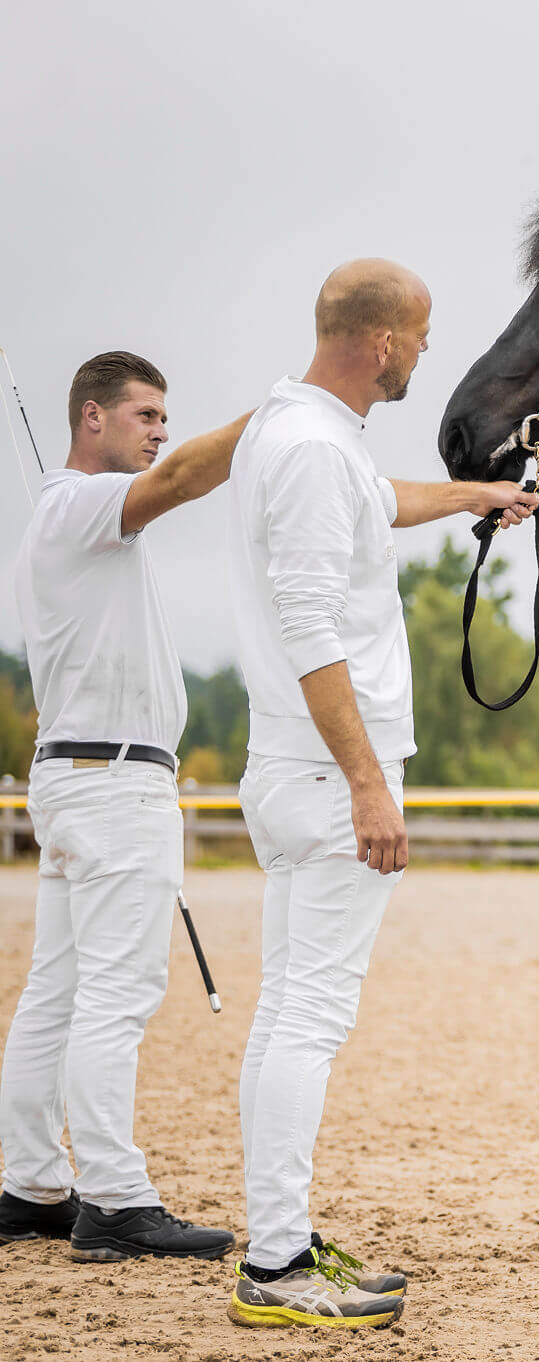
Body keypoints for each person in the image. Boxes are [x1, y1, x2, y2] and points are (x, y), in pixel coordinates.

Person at [224, 259, 537, 1330]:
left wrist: (480, 495)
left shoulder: (297, 432)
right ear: (387, 344)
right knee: (309, 1018)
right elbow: (311, 625)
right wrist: (368, 783)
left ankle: (282, 1237)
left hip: (287, 769)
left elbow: (379, 508)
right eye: (425, 337)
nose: (427, 355)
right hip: (324, 776)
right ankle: (273, 1268)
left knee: (285, 1015)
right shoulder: (313, 450)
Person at [0, 351, 249, 1261]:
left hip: (80, 781)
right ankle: (113, 1197)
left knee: (58, 995)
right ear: (91, 416)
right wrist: (286, 414)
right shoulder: (77, 506)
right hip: (113, 785)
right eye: (144, 414)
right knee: (115, 994)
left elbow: (172, 471)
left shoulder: (70, 521)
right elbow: (184, 478)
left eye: (164, 415)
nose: (161, 431)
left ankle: (29, 1186)